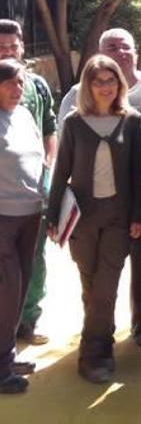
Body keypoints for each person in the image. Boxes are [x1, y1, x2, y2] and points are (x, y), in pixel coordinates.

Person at [57, 28, 141, 349]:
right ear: (99, 51)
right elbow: (66, 154)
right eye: (111, 46)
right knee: (97, 277)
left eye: (126, 46)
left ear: (136, 52)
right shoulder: (77, 95)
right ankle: (97, 330)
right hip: (95, 205)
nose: (119, 51)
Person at [47, 55, 141, 383]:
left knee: (105, 286)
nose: (105, 87)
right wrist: (52, 216)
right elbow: (61, 172)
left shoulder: (132, 120)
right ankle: (103, 335)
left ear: (120, 83)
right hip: (83, 219)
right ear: (88, 85)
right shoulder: (75, 123)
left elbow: (138, 173)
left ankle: (93, 356)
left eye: (111, 80)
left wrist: (139, 215)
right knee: (90, 285)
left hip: (119, 218)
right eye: (98, 81)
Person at [0, 20, 56, 347]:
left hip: (33, 193)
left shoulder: (35, 86)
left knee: (33, 260)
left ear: (22, 47)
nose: (7, 51)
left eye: (12, 46)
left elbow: (50, 128)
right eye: (1, 47)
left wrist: (47, 168)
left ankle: (27, 321)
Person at [0, 59, 44, 394]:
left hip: (31, 215)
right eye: (11, 82)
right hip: (3, 218)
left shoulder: (25, 115)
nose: (19, 89)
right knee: (7, 289)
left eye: (21, 82)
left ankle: (7, 354)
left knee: (20, 288)